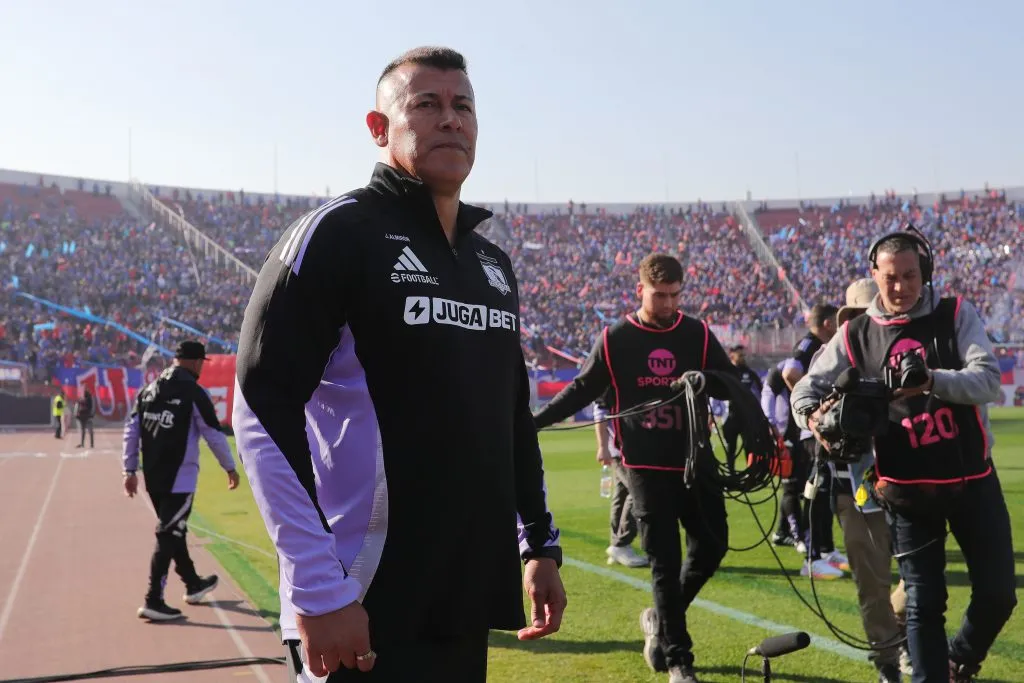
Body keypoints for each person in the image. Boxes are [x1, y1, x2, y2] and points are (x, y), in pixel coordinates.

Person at [232, 46, 565, 683]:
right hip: (360, 598)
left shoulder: (492, 264)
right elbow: (258, 406)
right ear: (379, 128)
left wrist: (538, 544)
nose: (450, 119)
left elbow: (511, 416)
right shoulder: (336, 233)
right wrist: (319, 587)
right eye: (426, 104)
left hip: (463, 599)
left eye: (463, 106)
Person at [791, 232, 1018, 682]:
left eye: (910, 275)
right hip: (904, 490)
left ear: (925, 272)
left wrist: (932, 380)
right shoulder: (854, 333)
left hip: (972, 479)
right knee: (922, 602)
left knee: (998, 594)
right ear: (875, 276)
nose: (900, 287)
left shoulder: (955, 314)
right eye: (890, 278)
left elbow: (988, 380)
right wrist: (809, 417)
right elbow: (805, 388)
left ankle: (960, 660)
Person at [533, 253, 736, 683]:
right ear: (639, 289)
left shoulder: (696, 333)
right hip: (644, 467)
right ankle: (680, 661)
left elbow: (731, 381)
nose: (667, 305)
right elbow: (581, 389)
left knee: (713, 547)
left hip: (694, 460)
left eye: (675, 296)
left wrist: (706, 380)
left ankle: (660, 622)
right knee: (664, 561)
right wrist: (532, 422)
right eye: (659, 295)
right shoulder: (616, 338)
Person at [807, 278, 905, 682]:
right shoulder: (832, 363)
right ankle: (888, 662)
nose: (867, 321)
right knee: (871, 587)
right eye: (858, 315)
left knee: (921, 580)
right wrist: (820, 417)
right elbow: (805, 398)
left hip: (912, 482)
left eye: (873, 312)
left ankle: (904, 637)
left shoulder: (907, 352)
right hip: (857, 489)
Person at [122, 340, 239, 621]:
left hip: (153, 478)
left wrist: (129, 471)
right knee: (168, 533)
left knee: (175, 530)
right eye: (201, 362)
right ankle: (153, 598)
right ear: (196, 362)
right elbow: (213, 433)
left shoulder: (148, 391)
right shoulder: (194, 392)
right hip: (180, 478)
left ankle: (192, 583)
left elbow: (131, 431)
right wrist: (230, 467)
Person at [594, 388, 647, 568]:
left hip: (621, 447)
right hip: (622, 448)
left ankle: (616, 545)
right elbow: (600, 413)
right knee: (637, 491)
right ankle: (621, 543)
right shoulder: (610, 381)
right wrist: (603, 446)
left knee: (622, 494)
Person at [721, 345, 762, 468]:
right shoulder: (725, 373)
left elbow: (760, 394)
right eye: (740, 355)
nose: (743, 358)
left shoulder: (750, 374)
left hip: (746, 417)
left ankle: (750, 473)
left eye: (744, 355)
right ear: (732, 355)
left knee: (749, 446)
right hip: (730, 417)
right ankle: (730, 473)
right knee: (730, 447)